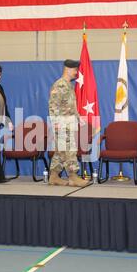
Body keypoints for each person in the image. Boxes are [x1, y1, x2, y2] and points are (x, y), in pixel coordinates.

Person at [48, 59, 90, 187]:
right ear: (68, 69)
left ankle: (54, 177)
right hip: (62, 123)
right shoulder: (60, 85)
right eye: (75, 70)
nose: (76, 73)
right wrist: (55, 122)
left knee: (61, 151)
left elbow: (70, 106)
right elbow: (53, 105)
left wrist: (78, 117)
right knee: (69, 149)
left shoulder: (68, 85)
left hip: (69, 122)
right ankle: (73, 176)